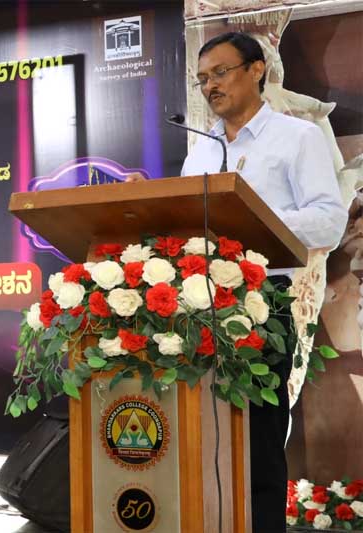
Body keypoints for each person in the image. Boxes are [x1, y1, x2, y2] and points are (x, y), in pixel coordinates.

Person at [130, 32, 347, 532]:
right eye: (203, 78)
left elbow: (328, 221)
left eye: (221, 72)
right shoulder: (201, 153)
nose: (211, 85)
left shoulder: (298, 137)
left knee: (257, 442)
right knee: (200, 437)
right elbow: (189, 227)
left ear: (256, 70)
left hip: (260, 306)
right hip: (195, 309)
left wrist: (248, 225)